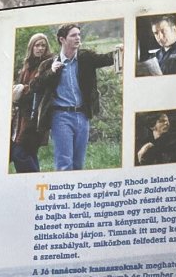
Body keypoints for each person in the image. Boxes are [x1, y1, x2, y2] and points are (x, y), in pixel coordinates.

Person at [34, 23, 122, 171]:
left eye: (79, 35)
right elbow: (35, 86)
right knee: (64, 163)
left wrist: (121, 51)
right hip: (60, 116)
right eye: (73, 35)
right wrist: (51, 72)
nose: (78, 38)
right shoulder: (49, 64)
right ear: (62, 39)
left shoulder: (85, 57)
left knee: (78, 164)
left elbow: (106, 59)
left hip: (82, 115)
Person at [10, 32, 51, 172]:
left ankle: (33, 181)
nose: (40, 48)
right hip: (21, 115)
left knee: (19, 153)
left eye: (43, 46)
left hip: (36, 116)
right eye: (37, 45)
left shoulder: (47, 64)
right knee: (29, 152)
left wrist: (22, 89)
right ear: (31, 47)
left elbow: (38, 86)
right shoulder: (27, 66)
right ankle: (36, 182)